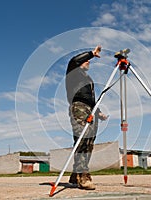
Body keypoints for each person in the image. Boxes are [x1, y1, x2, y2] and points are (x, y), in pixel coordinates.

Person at [65, 45, 108, 190]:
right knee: (82, 140)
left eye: (89, 60)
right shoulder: (73, 72)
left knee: (89, 143)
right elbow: (74, 60)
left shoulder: (88, 79)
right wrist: (91, 53)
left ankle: (75, 174)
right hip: (79, 107)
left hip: (90, 110)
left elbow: (91, 99)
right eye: (86, 60)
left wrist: (98, 112)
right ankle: (83, 175)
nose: (88, 62)